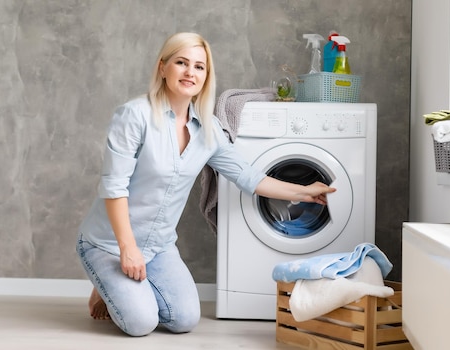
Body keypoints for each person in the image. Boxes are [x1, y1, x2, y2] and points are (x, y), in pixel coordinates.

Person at [76, 32, 336, 337]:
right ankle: (107, 285)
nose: (190, 72)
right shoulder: (135, 115)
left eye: (199, 67)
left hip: (158, 246)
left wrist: (305, 192)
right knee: (140, 323)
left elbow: (249, 177)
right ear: (163, 67)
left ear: (206, 75)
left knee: (184, 319)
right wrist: (127, 249)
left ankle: (121, 287)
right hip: (109, 242)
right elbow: (114, 188)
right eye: (181, 63)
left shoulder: (208, 128)